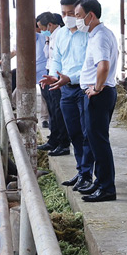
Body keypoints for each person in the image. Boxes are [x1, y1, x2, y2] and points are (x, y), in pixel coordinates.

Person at [39, 0, 94, 192]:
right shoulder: (60, 34)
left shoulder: (89, 34)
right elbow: (56, 59)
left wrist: (70, 78)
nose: (67, 17)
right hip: (66, 89)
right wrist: (53, 75)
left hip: (85, 88)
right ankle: (81, 171)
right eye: (63, 13)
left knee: (88, 133)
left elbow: (92, 64)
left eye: (71, 13)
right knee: (74, 133)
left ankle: (88, 174)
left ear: (81, 13)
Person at [76, 0, 119, 203]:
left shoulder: (100, 36)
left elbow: (103, 65)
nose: (76, 20)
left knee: (99, 142)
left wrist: (97, 87)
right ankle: (100, 181)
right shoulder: (97, 35)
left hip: (99, 95)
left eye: (78, 16)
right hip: (98, 93)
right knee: (94, 140)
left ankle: (107, 188)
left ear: (90, 15)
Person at [36, 12, 70, 156]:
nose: (40, 31)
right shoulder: (50, 36)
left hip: (57, 77)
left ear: (49, 25)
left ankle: (63, 143)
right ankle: (54, 139)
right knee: (52, 109)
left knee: (58, 111)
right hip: (51, 74)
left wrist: (55, 77)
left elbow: (59, 58)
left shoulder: (60, 35)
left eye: (41, 27)